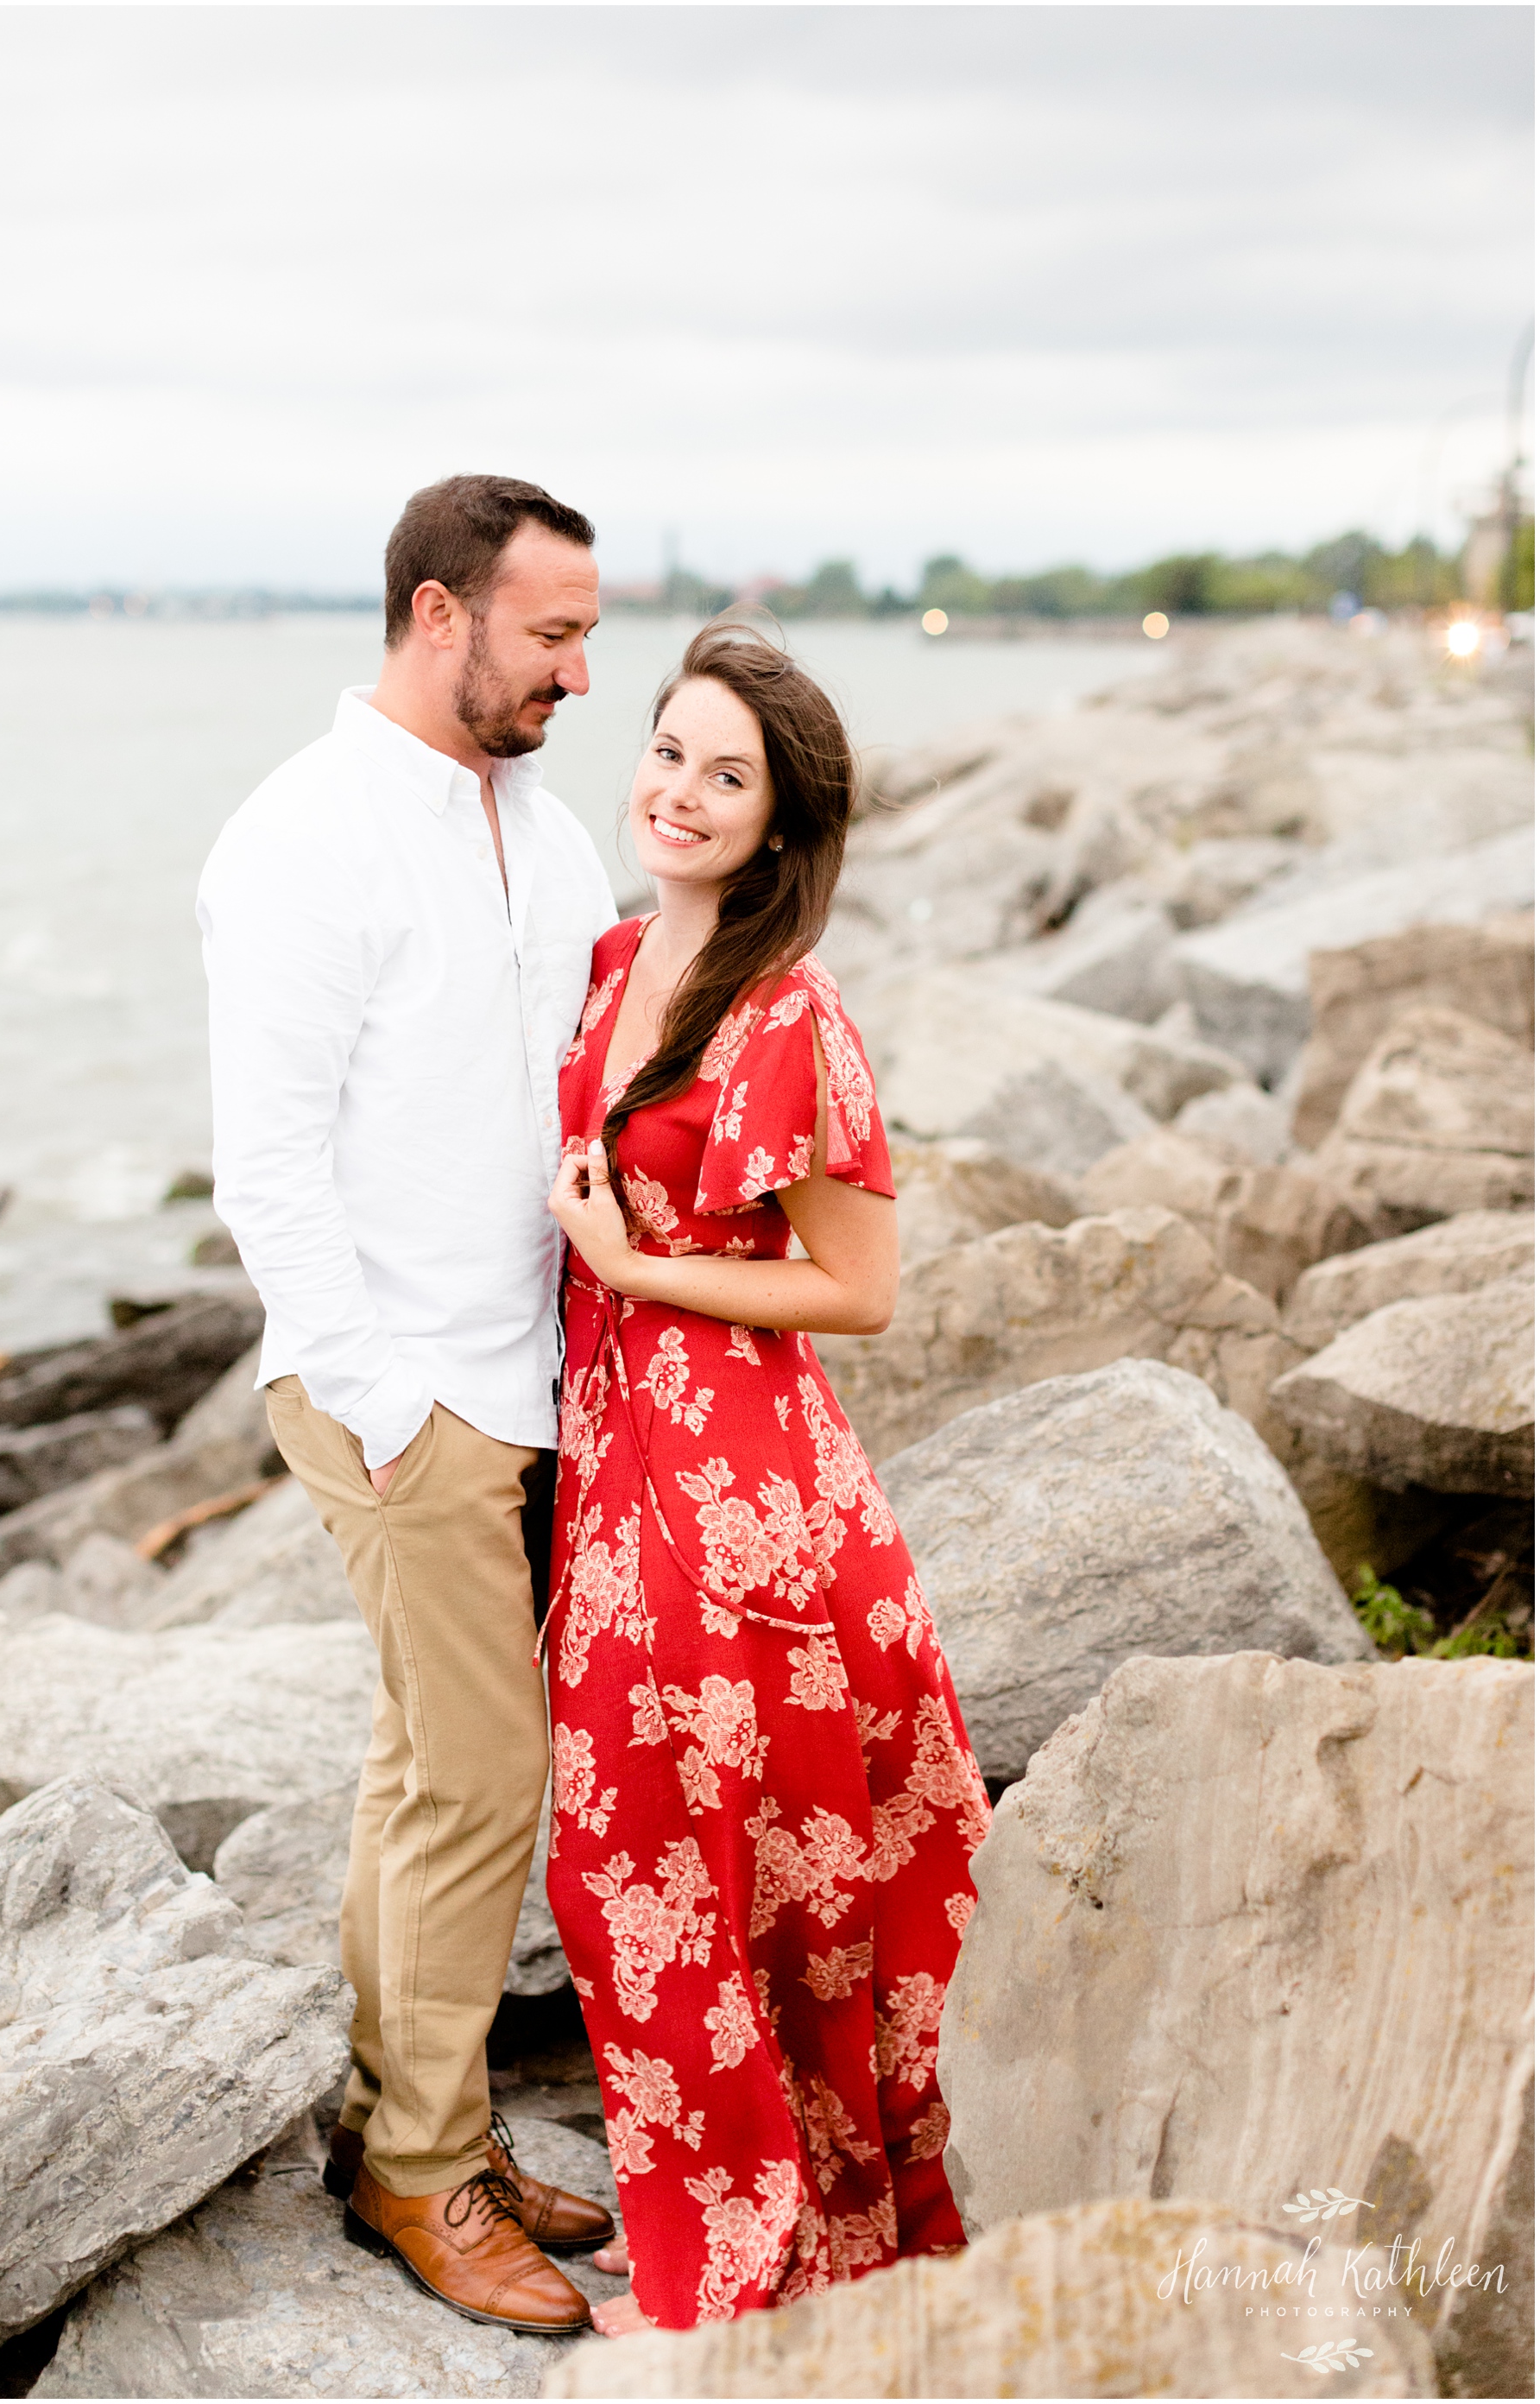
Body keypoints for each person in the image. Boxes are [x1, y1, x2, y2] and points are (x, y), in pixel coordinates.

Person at [198, 474, 621, 2337]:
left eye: (589, 635)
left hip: (525, 1369)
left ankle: (403, 2119)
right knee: (482, 1773)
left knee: (416, 1765)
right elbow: (264, 1161)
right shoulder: (302, 839)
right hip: (404, 1384)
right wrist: (383, 1404)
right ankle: (424, 2176)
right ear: (439, 616)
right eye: (552, 634)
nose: (580, 672)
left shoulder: (552, 828)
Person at [544, 619, 992, 2336]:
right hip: (611, 1455)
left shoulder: (796, 1018)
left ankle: (746, 2253)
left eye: (724, 776)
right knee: (642, 1854)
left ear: (780, 824)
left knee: (680, 1853)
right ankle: (728, 2211)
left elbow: (861, 1290)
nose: (679, 791)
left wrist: (643, 1270)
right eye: (669, 751)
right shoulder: (601, 963)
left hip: (742, 1488)